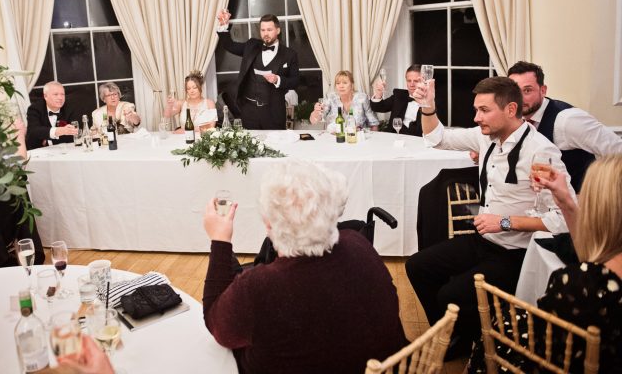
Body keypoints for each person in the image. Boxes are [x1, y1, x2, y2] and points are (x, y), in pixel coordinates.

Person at [405, 76, 570, 360]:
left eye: (484, 110)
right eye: (476, 109)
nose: (476, 117)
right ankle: (457, 336)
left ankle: (468, 337)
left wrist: (505, 222)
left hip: (515, 253)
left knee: (450, 295)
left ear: (510, 109)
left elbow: (562, 218)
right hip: (484, 240)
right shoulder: (486, 137)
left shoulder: (540, 152)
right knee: (417, 266)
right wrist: (428, 107)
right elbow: (438, 138)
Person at [202, 159, 406, 373]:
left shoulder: (260, 287)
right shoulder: (358, 243)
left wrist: (220, 241)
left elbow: (217, 327)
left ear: (269, 224)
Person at [469, 156, 622, 372]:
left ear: (599, 211)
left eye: (584, 197)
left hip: (562, 359)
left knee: (499, 324)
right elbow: (592, 257)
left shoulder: (578, 284)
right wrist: (567, 204)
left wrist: (505, 222)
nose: (476, 119)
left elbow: (547, 356)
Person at [507, 61, 622, 192]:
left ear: (543, 90)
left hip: (579, 204)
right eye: (515, 91)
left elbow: (618, 151)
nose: (520, 98)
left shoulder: (568, 120)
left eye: (527, 90)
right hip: (543, 205)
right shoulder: (516, 119)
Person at [216, 9, 300, 130]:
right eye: (263, 30)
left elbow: (295, 81)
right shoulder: (251, 46)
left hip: (274, 112)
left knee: (275, 147)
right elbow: (229, 45)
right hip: (249, 111)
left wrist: (278, 80)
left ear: (278, 30)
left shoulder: (289, 54)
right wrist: (224, 25)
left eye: (269, 30)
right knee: (250, 147)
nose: (266, 33)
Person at [310, 70, 379, 132]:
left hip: (357, 140)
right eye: (338, 83)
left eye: (345, 83)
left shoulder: (362, 98)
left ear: (352, 85)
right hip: (334, 140)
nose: (341, 86)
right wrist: (316, 112)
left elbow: (374, 123)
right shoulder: (330, 98)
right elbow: (314, 121)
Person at [370, 64, 424, 136]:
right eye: (409, 80)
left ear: (423, 81)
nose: (411, 84)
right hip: (394, 137)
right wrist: (378, 94)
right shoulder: (399, 95)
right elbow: (379, 107)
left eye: (416, 81)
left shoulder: (429, 101)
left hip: (418, 140)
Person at [25, 81, 79, 150]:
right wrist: (59, 131)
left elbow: (74, 134)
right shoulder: (35, 109)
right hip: (39, 152)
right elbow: (33, 131)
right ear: (45, 96)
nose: (60, 98)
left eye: (62, 94)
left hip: (64, 150)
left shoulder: (70, 108)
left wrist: (47, 139)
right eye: (55, 94)